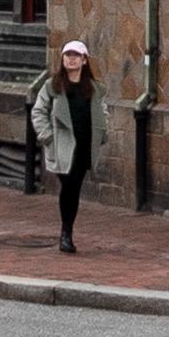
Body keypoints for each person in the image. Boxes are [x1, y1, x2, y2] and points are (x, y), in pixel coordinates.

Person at [29, 39, 97, 255]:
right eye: (68, 55)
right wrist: (47, 137)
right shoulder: (53, 86)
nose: (71, 59)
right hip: (61, 146)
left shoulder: (93, 89)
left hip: (83, 144)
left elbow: (102, 112)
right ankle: (66, 233)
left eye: (76, 55)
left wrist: (101, 133)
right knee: (67, 185)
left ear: (85, 60)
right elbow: (38, 111)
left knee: (74, 187)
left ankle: (67, 231)